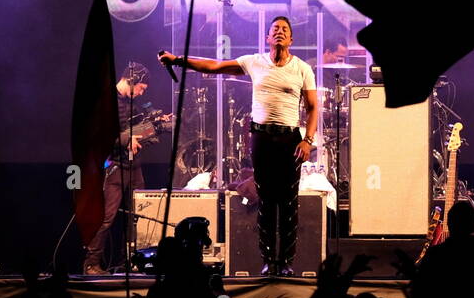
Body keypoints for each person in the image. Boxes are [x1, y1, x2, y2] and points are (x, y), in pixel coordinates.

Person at [160, 15, 317, 276]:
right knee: (266, 201)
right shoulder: (254, 62)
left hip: (290, 140)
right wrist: (177, 60)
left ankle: (286, 262)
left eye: (284, 30)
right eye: (274, 29)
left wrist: (307, 140)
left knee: (288, 202)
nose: (279, 32)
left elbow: (313, 109)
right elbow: (214, 66)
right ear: (268, 37)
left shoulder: (302, 69)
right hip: (262, 139)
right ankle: (269, 261)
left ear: (291, 39)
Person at [82, 66, 169, 274]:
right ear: (132, 79)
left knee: (138, 216)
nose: (142, 93)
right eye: (141, 88)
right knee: (107, 217)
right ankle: (91, 264)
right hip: (114, 167)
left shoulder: (132, 104)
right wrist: (126, 139)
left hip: (134, 167)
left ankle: (131, 262)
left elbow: (137, 128)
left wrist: (157, 124)